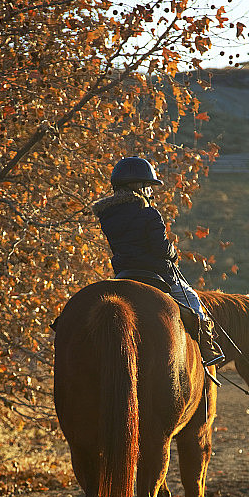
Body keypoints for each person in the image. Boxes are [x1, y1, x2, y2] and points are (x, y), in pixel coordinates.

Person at [91, 156, 224, 367]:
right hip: (156, 274)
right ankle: (209, 351)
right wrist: (173, 253)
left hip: (124, 274)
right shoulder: (149, 213)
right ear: (138, 186)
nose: (151, 192)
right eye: (149, 186)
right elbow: (160, 248)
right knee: (193, 302)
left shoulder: (107, 216)